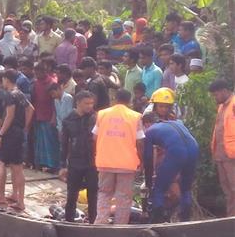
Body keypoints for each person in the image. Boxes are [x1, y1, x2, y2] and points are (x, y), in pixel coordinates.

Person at [93, 89, 144, 225]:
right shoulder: (135, 116)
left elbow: (94, 136)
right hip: (127, 164)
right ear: (129, 101)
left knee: (104, 193)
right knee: (124, 197)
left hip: (104, 161)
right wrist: (142, 161)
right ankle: (120, 226)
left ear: (114, 99)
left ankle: (101, 222)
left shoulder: (102, 114)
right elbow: (140, 141)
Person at [0, 69, 33, 210]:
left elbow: (9, 116)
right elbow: (31, 109)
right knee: (17, 167)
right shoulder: (19, 93)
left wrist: (0, 134)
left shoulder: (10, 95)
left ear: (6, 79)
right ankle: (20, 200)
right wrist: (25, 127)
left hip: (10, 133)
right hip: (18, 132)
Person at [142, 112, 199, 222]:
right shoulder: (175, 123)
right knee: (185, 188)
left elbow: (148, 159)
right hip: (194, 147)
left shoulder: (150, 131)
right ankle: (185, 219)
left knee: (159, 188)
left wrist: (148, 183)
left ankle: (157, 220)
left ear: (147, 124)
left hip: (177, 150)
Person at [58, 91, 98, 222]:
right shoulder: (69, 120)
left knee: (93, 194)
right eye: (86, 103)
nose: (90, 106)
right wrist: (63, 165)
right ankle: (69, 221)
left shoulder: (95, 118)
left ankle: (93, 221)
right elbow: (64, 144)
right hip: (75, 162)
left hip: (92, 162)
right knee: (72, 194)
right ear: (78, 103)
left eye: (91, 103)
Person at [210, 79, 235, 217]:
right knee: (228, 191)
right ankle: (231, 219)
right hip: (221, 156)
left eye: (216, 94)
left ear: (224, 91)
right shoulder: (221, 107)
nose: (215, 97)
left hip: (232, 156)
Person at [32, 64, 59, 172]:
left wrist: (53, 117)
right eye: (36, 73)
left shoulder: (52, 83)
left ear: (44, 71)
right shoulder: (36, 83)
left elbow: (54, 102)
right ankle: (42, 163)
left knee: (50, 141)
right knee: (40, 142)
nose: (37, 75)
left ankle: (53, 165)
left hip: (48, 116)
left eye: (39, 72)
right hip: (38, 115)